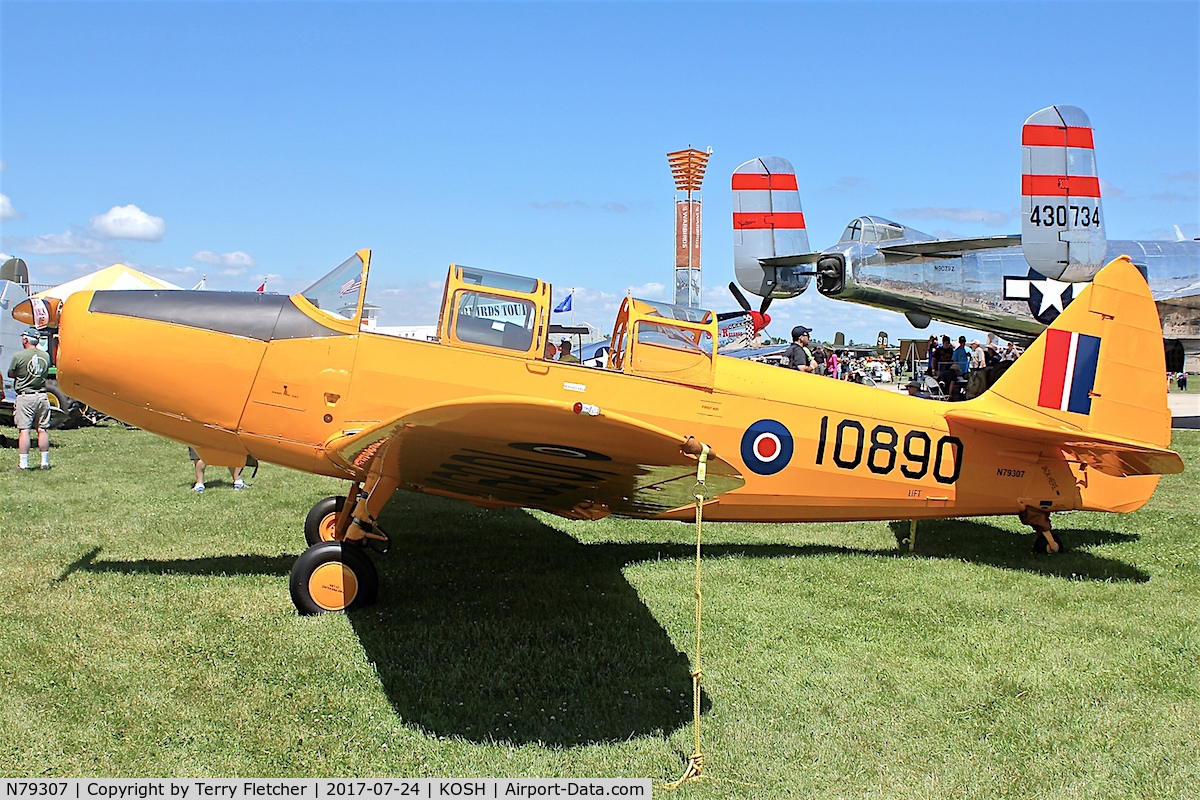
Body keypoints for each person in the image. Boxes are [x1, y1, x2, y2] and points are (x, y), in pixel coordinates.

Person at [7, 329, 52, 471]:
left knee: (24, 430)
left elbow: (11, 373)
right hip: (42, 396)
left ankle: (23, 464)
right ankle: (44, 462)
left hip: (26, 396)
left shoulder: (19, 356)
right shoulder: (46, 356)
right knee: (42, 429)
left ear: (26, 340)